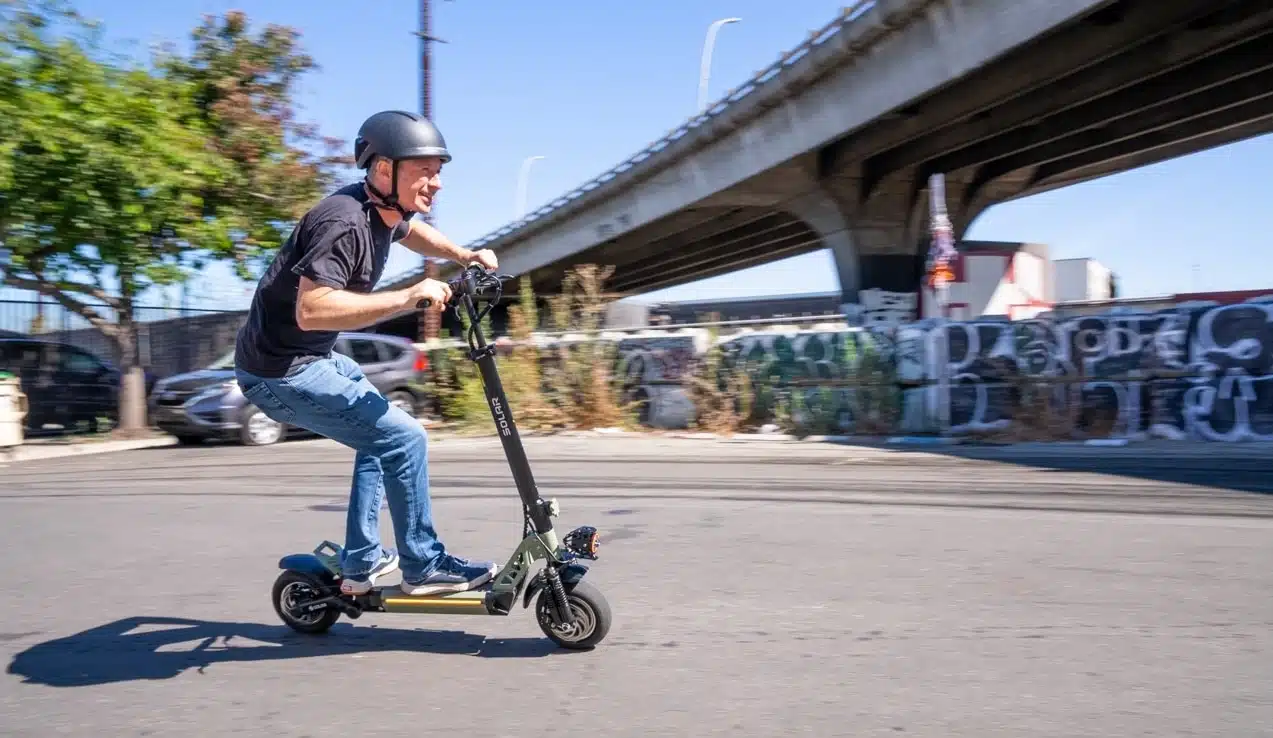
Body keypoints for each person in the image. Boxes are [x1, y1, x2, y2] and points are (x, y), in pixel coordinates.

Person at [234, 110, 500, 597]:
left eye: (438, 170)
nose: (436, 183)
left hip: (312, 360)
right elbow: (311, 310)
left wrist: (463, 255)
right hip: (281, 372)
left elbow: (412, 232)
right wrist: (406, 296)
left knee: (381, 434)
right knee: (404, 438)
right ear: (384, 170)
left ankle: (359, 563)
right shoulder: (343, 222)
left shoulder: (382, 210)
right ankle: (423, 566)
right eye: (424, 170)